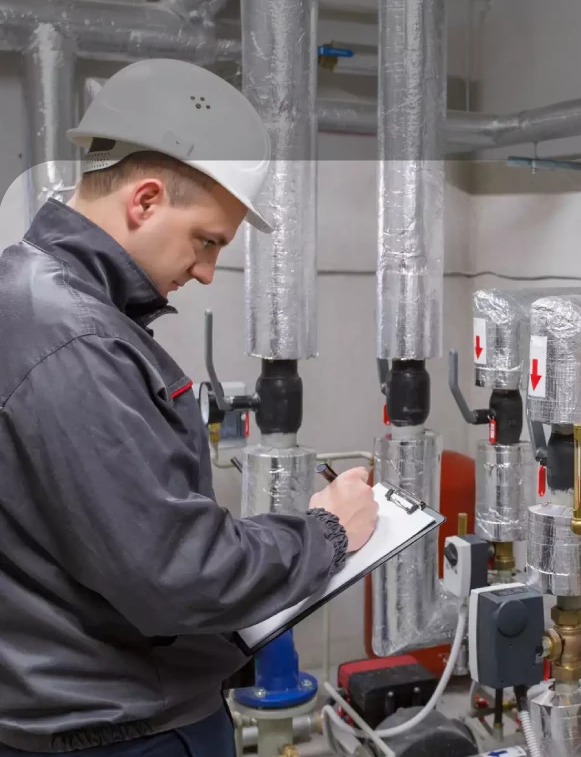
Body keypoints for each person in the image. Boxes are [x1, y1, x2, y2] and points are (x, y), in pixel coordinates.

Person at [0, 59, 378, 756]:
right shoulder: (75, 338)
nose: (205, 271)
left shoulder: (26, 295)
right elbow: (176, 574)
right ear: (144, 200)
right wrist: (327, 532)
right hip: (118, 727)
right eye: (206, 240)